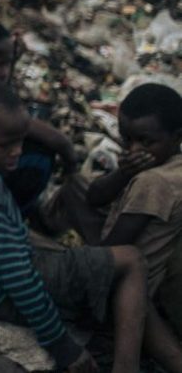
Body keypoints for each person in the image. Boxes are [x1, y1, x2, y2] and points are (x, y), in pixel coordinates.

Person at [0, 81, 151, 373]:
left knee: (76, 250)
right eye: (6, 145)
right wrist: (61, 345)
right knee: (132, 260)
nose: (17, 152)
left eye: (19, 141)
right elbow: (20, 280)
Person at [45, 84, 182, 368]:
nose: (133, 149)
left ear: (177, 138)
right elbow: (95, 197)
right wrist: (123, 172)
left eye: (145, 142)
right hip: (135, 254)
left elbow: (110, 253)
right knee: (77, 187)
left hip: (128, 284)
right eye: (126, 139)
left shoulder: (153, 183)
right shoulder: (167, 167)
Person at [0, 13, 77, 214]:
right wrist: (71, 162)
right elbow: (49, 136)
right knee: (39, 157)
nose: (2, 72)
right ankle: (12, 213)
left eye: (6, 63)